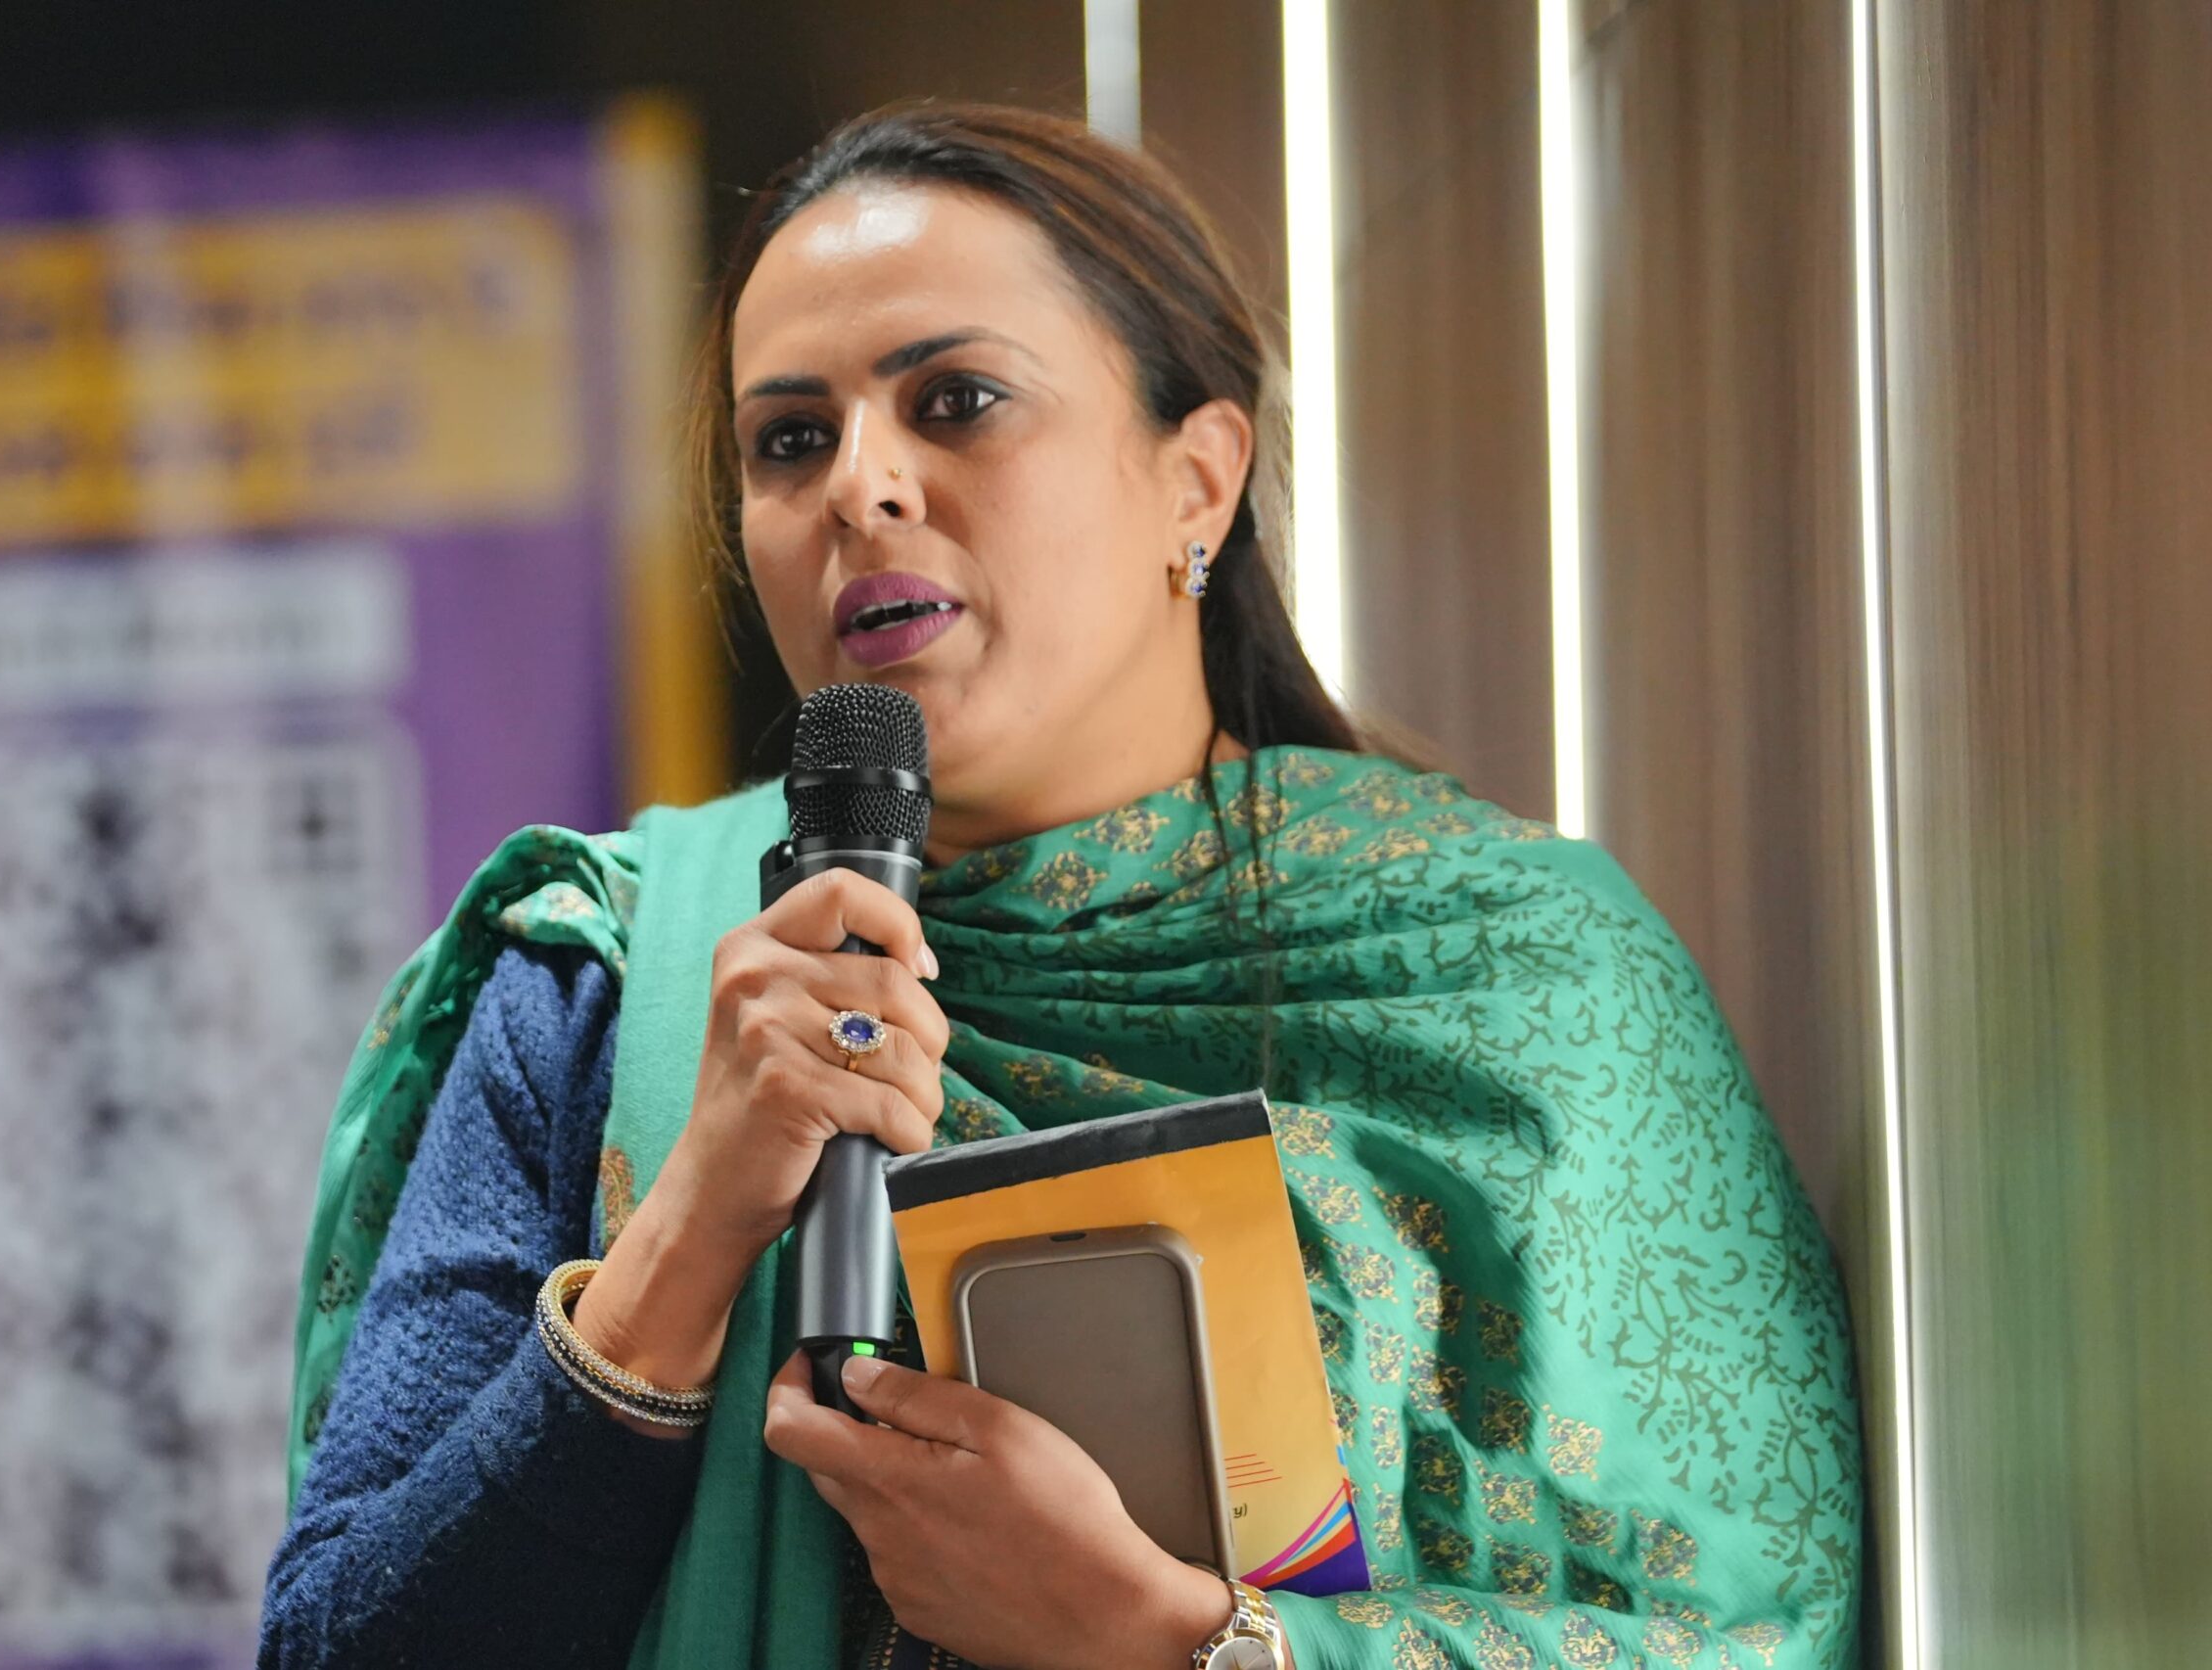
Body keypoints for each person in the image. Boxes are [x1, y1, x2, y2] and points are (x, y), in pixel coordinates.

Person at [258, 100, 1863, 1670]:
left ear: (1198, 483)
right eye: (792, 438)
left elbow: (1743, 1630)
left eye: (956, 401)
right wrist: (684, 1235)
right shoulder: (614, 975)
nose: (860, 486)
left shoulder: (1522, 981)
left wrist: (1169, 1640)